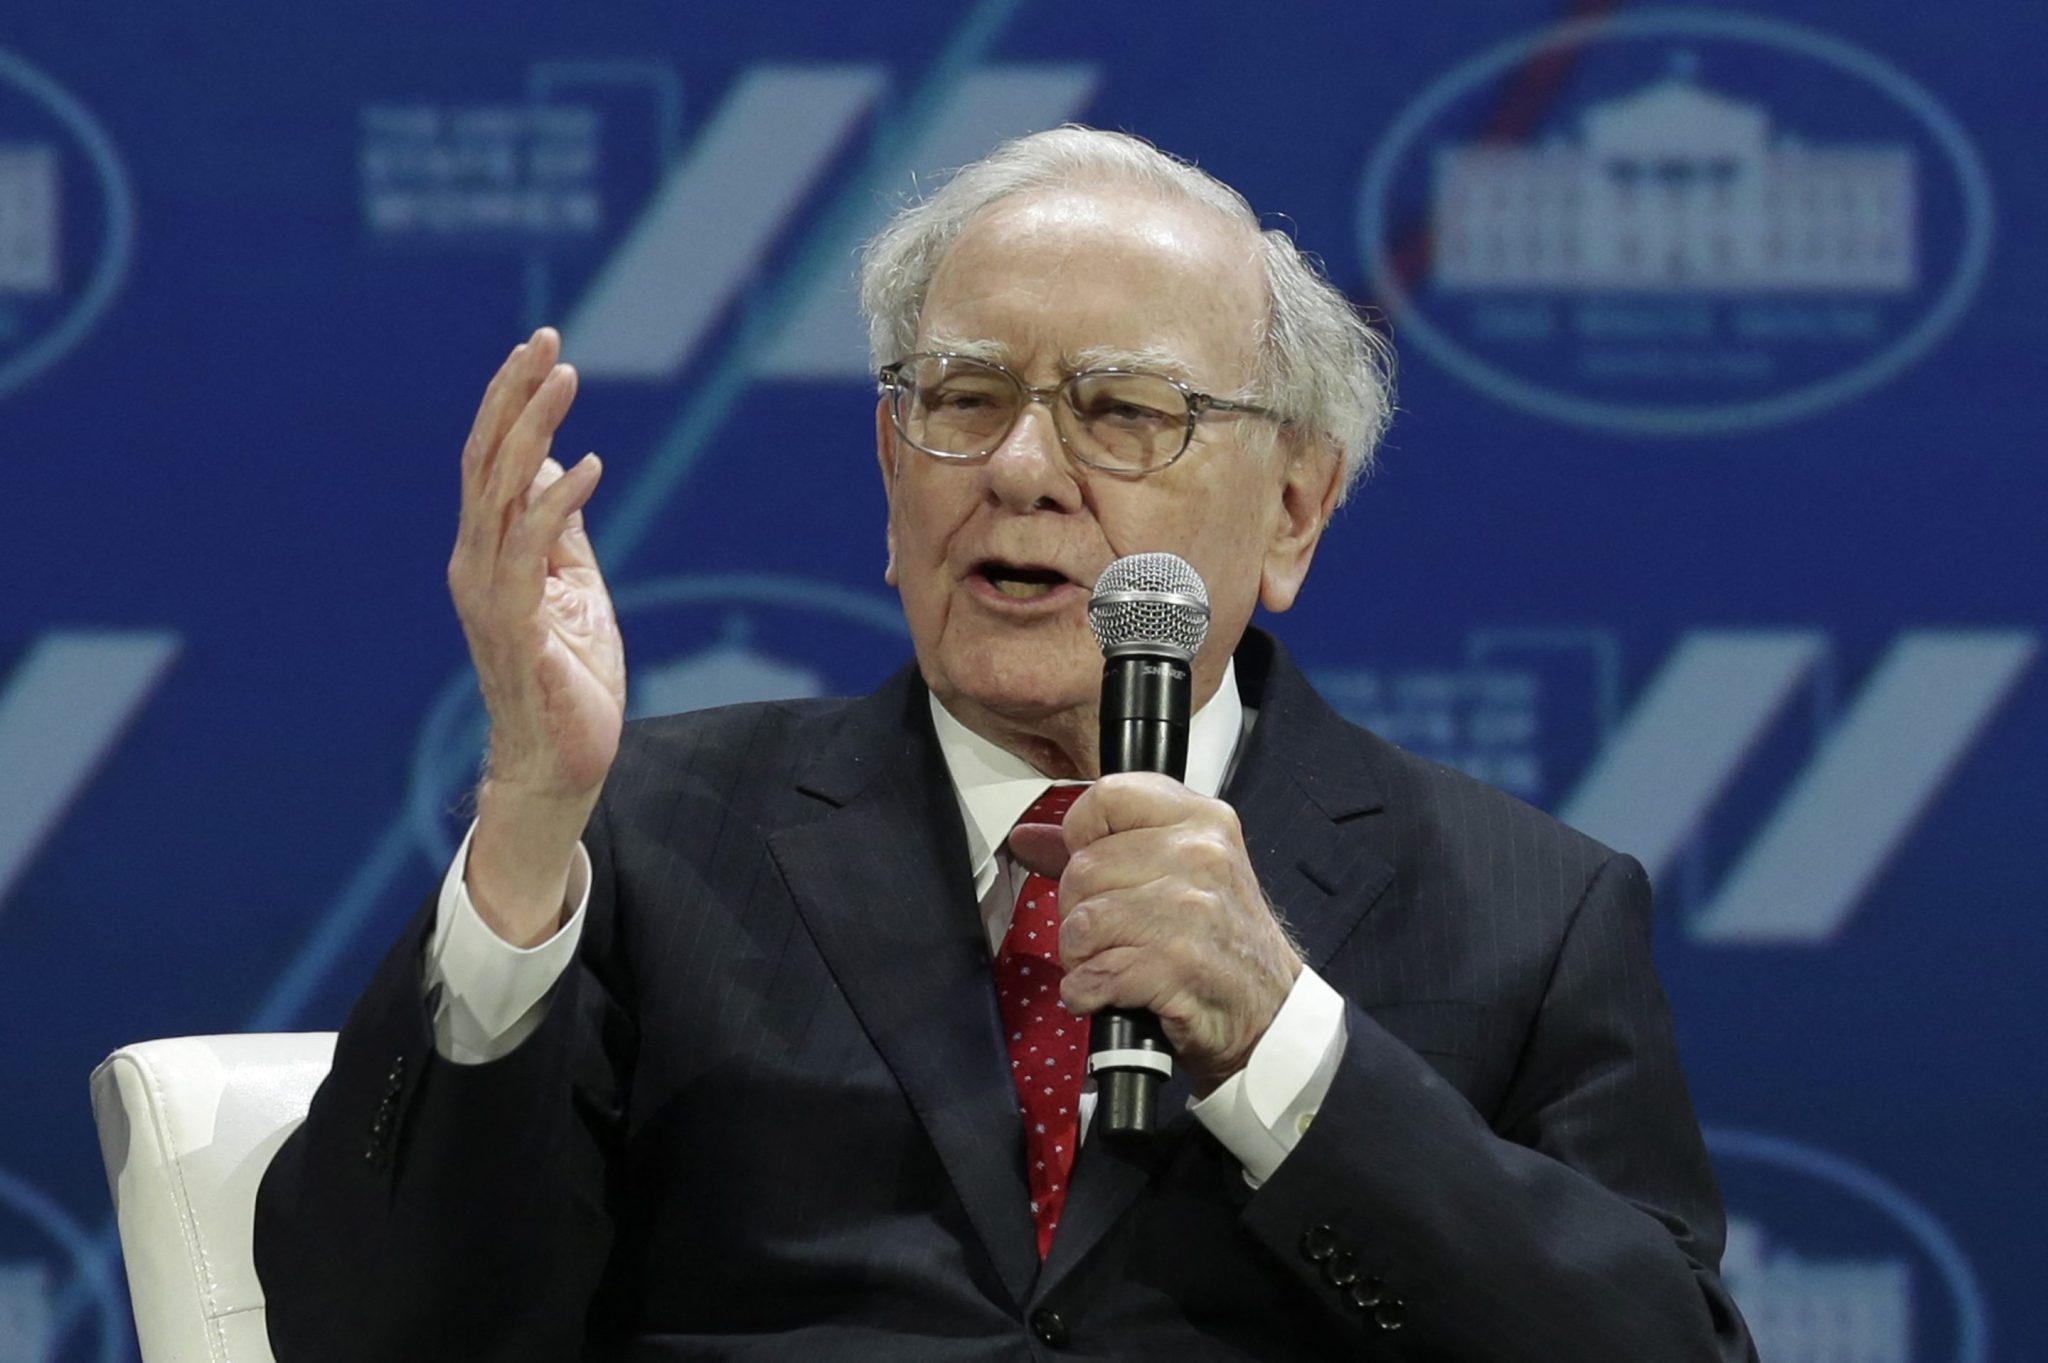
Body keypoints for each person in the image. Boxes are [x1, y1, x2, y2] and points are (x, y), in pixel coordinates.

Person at [255, 127, 1758, 1361]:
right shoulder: (644, 842)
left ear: (1295, 507)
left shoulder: (1525, 910)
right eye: (965, 400)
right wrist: (527, 820)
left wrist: (1282, 1043)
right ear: (890, 464)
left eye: (1123, 412)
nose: (1023, 469)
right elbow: (366, 1332)